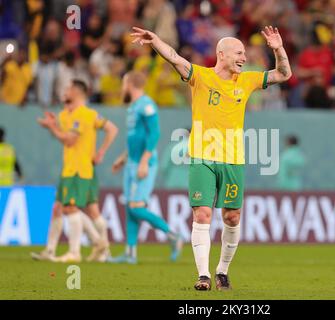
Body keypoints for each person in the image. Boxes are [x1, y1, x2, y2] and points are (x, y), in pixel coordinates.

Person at [130, 25, 292, 290]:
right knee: (202, 214)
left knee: (231, 217)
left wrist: (278, 49)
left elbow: (285, 74)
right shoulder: (201, 77)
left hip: (233, 160)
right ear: (222, 54)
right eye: (238, 53)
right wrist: (157, 41)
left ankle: (222, 270)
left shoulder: (247, 80)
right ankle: (203, 275)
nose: (243, 58)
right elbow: (174, 58)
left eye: (244, 54)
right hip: (202, 157)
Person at [36, 80, 118, 263]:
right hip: (71, 168)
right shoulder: (66, 114)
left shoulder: (84, 114)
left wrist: (101, 152)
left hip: (79, 170)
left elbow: (70, 140)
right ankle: (99, 245)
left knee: (70, 208)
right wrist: (53, 124)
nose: (64, 91)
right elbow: (66, 137)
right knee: (73, 208)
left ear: (76, 91)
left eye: (67, 88)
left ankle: (76, 252)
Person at [107, 71, 183, 264]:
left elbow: (154, 134)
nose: (122, 87)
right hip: (131, 162)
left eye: (124, 83)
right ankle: (130, 254)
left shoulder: (147, 104)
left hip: (144, 162)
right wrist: (123, 158)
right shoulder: (133, 107)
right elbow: (135, 138)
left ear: (130, 83)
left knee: (136, 206)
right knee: (131, 207)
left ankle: (173, 235)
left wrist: (144, 161)